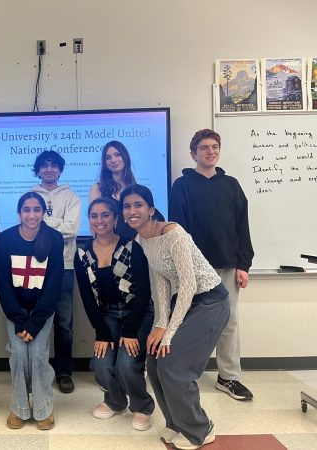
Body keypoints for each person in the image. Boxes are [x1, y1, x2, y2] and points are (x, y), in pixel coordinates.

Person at [121, 184, 229, 450]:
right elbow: (161, 282)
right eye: (126, 206)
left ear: (151, 209)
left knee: (174, 365)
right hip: (187, 302)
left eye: (138, 205)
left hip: (211, 301)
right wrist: (160, 323)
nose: (132, 210)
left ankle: (200, 430)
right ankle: (175, 423)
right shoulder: (143, 239)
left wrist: (168, 333)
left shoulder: (173, 233)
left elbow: (189, 285)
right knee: (156, 361)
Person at [169, 128, 254, 401]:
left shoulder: (231, 185)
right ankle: (183, 373)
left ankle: (229, 377)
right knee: (191, 321)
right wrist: (186, 265)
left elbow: (243, 227)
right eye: (204, 147)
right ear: (194, 153)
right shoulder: (182, 186)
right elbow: (178, 229)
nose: (210, 151)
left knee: (229, 322)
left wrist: (244, 264)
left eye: (215, 146)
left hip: (229, 265)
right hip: (194, 267)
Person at [74, 197, 155, 431]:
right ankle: (115, 401)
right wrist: (101, 333)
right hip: (106, 315)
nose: (100, 220)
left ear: (115, 218)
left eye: (105, 215)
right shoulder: (82, 255)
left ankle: (142, 406)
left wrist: (130, 331)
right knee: (100, 364)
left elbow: (143, 294)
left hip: (136, 313)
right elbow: (88, 299)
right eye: (94, 216)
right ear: (89, 220)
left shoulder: (132, 248)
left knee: (127, 365)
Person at [0, 192, 64, 430]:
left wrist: (34, 323)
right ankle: (19, 408)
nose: (31, 215)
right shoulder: (5, 240)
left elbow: (54, 285)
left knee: (36, 354)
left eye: (37, 209)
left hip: (42, 312)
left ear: (43, 213)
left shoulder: (54, 239)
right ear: (19, 212)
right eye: (27, 209)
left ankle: (44, 407)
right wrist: (21, 321)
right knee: (19, 354)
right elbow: (2, 285)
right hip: (17, 312)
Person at [31, 150, 80, 393]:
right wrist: (53, 224)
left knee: (64, 322)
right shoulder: (30, 196)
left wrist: (44, 223)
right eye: (44, 165)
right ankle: (37, 370)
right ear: (38, 169)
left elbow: (71, 230)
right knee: (38, 319)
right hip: (36, 266)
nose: (49, 169)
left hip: (65, 266)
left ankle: (63, 373)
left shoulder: (71, 196)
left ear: (60, 170)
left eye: (54, 166)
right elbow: (29, 226)